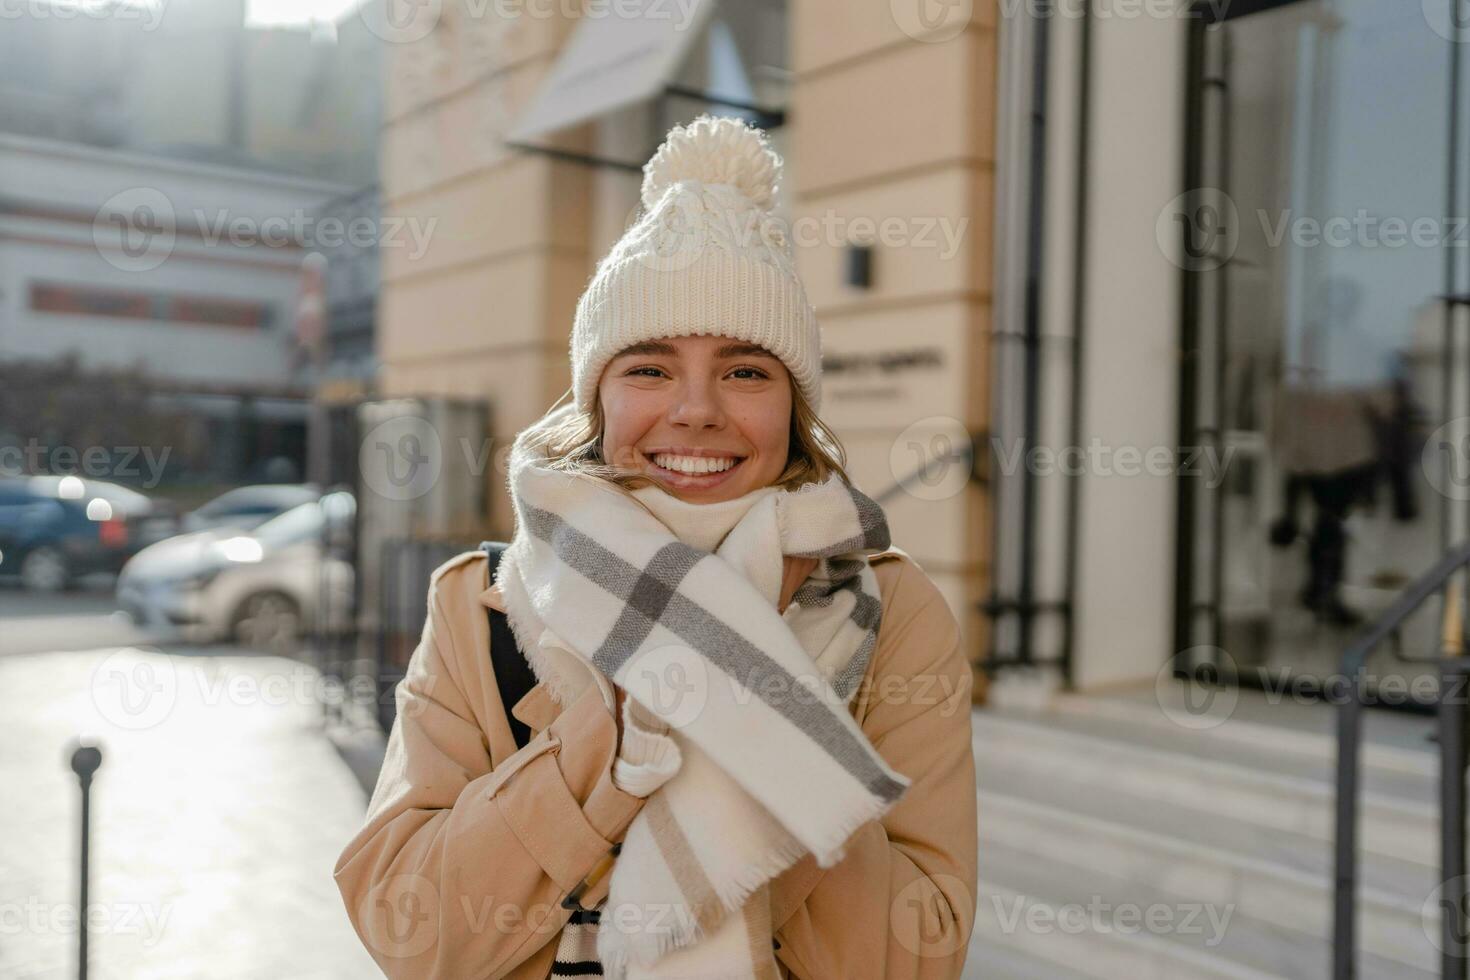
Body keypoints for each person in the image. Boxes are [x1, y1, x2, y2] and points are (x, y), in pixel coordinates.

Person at [334, 114, 977, 979]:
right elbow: (407, 930)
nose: (697, 409)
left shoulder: (890, 610)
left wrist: (757, 695)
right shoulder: (479, 600)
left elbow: (919, 956)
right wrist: (611, 734)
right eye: (649, 368)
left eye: (747, 370)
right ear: (597, 396)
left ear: (795, 408)